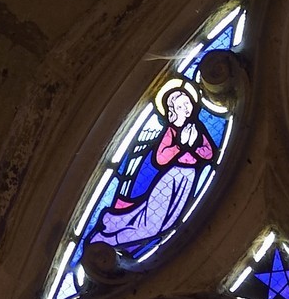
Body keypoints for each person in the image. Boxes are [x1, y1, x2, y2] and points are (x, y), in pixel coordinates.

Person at [92, 75, 216, 260]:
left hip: (188, 178)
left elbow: (209, 152)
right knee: (152, 223)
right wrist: (180, 145)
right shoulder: (171, 130)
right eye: (181, 106)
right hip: (171, 177)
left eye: (188, 104)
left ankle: (114, 238)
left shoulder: (195, 128)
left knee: (168, 223)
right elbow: (161, 157)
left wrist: (194, 147)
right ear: (172, 110)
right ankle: (107, 240)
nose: (187, 108)